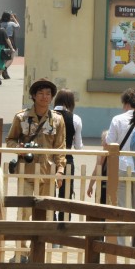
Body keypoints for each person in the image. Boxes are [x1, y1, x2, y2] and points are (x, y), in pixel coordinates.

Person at [6, 78, 66, 227]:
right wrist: (19, 148)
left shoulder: (57, 120)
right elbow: (10, 140)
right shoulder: (21, 117)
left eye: (48, 94)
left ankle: (41, 247)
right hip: (26, 170)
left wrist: (60, 170)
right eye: (40, 93)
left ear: (52, 97)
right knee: (24, 210)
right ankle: (22, 247)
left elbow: (60, 147)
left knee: (46, 211)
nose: (44, 96)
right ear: (33, 95)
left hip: (48, 171)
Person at [106, 88, 135, 214]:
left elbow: (109, 143)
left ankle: (123, 234)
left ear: (126, 103)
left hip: (121, 164)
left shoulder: (117, 119)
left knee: (122, 207)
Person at [53, 89, 83, 221]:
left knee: (48, 193)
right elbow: (78, 146)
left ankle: (49, 221)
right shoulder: (75, 118)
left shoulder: (49, 115)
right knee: (66, 194)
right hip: (67, 158)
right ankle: (64, 224)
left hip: (49, 158)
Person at [87, 130, 110, 205]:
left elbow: (96, 170)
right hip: (101, 187)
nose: (102, 143)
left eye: (103, 140)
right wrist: (90, 185)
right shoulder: (100, 155)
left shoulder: (114, 156)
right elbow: (96, 171)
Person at [1, 11, 19, 78]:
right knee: (11, 57)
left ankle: (5, 73)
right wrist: (14, 18)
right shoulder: (11, 23)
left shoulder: (1, 24)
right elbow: (18, 26)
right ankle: (4, 68)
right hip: (10, 40)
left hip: (2, 41)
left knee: (5, 58)